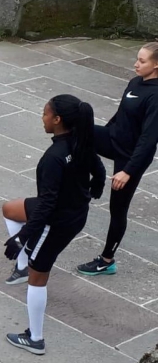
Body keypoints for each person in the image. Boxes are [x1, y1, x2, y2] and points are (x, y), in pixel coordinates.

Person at [1, 95, 105, 355]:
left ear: (57, 119)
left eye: (45, 114)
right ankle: (22, 266)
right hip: (74, 210)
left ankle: (35, 338)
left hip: (57, 222)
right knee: (9, 209)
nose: (42, 118)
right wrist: (96, 188)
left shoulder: (54, 157)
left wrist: (22, 238)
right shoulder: (81, 141)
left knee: (39, 276)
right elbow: (99, 169)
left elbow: (46, 206)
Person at [76, 42, 158, 276]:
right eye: (137, 58)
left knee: (118, 208)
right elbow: (121, 115)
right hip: (114, 139)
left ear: (156, 65)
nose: (136, 64)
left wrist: (128, 171)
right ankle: (94, 178)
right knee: (77, 131)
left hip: (132, 157)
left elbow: (149, 140)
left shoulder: (155, 96)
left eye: (142, 61)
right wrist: (103, 132)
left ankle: (106, 260)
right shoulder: (135, 82)